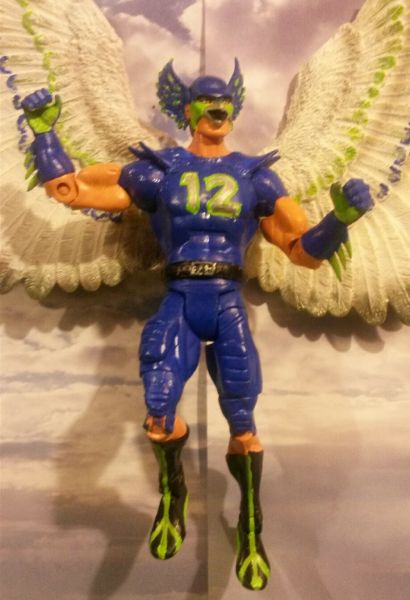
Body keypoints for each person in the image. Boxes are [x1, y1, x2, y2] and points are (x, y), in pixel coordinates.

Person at [21, 59, 373, 591]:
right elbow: (70, 190)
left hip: (227, 299)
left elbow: (302, 251)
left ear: (234, 109)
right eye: (207, 100)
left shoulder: (256, 176)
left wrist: (339, 220)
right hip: (180, 296)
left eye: (224, 100)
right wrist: (45, 133)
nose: (217, 108)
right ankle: (174, 492)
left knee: (243, 423)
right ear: (186, 110)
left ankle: (250, 526)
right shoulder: (157, 170)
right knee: (158, 412)